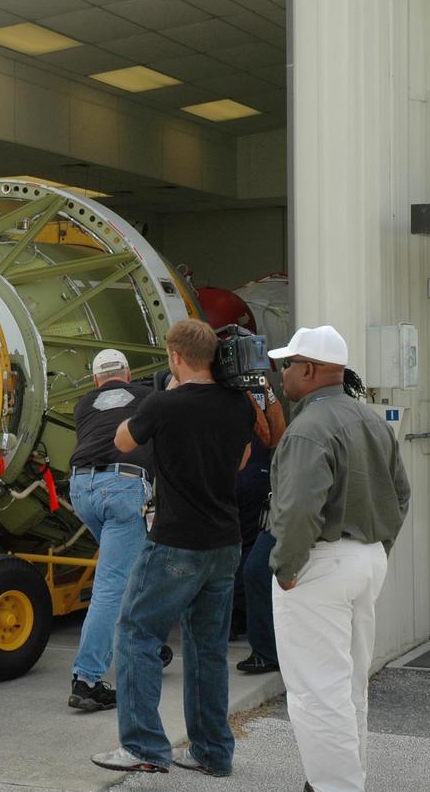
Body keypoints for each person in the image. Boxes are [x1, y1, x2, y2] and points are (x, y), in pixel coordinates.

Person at [91, 319, 254, 777]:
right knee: (208, 649)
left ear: (177, 356)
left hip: (176, 541)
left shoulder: (165, 402)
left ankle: (143, 745)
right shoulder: (238, 404)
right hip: (225, 543)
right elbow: (241, 459)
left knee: (137, 634)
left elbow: (123, 441)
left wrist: (162, 397)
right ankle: (212, 753)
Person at [267, 326, 411, 792]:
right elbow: (401, 494)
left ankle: (335, 786)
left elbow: (298, 510)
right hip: (366, 558)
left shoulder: (308, 428)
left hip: (320, 564)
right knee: (348, 685)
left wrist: (286, 568)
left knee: (315, 692)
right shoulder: (370, 420)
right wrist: (378, 550)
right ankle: (344, 779)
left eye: (288, 364)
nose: (282, 372)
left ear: (309, 370)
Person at [66, 348, 154, 712]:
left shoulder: (84, 404)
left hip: (81, 489)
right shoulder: (148, 398)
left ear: (95, 380)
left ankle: (145, 643)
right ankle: (86, 679)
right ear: (128, 373)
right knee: (111, 583)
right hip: (122, 488)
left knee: (128, 573)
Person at [234, 379, 287, 675]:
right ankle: (240, 620)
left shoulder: (258, 391)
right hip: (249, 476)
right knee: (244, 556)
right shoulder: (254, 391)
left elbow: (273, 435)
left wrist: (259, 394)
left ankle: (261, 643)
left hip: (253, 476)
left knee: (251, 560)